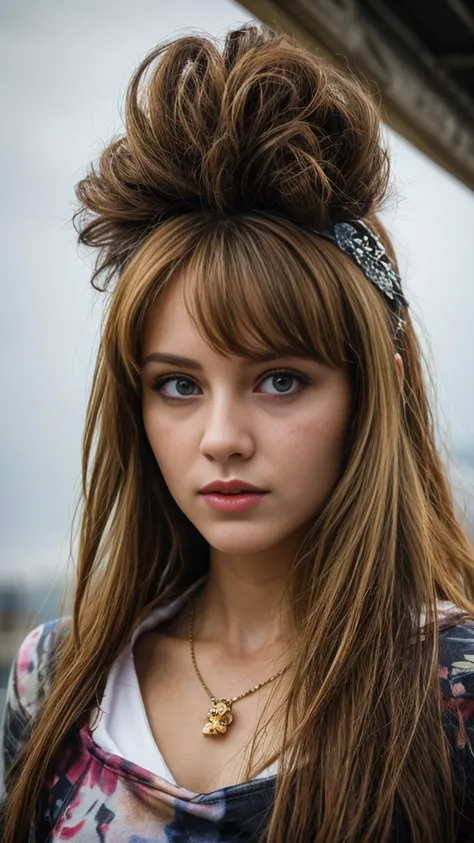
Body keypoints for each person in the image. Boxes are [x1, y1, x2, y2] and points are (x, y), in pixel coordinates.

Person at [2, 22, 474, 843]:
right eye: (179, 385)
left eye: (280, 379)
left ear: (379, 390)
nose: (221, 436)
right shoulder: (55, 681)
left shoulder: (453, 691)